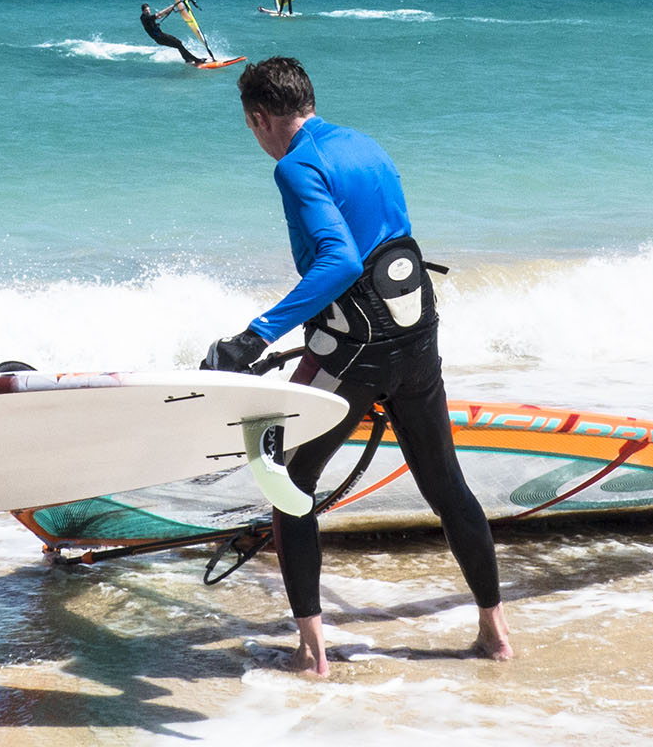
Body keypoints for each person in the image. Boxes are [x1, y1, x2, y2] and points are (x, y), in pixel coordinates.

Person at [201, 56, 512, 677]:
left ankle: (312, 653)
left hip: (359, 347)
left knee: (289, 483)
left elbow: (340, 262)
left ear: (259, 118)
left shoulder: (295, 166)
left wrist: (254, 337)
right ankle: (495, 634)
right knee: (444, 482)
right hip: (416, 330)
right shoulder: (365, 144)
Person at [140, 1, 205, 65]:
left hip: (161, 36)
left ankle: (187, 59)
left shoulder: (148, 16)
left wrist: (170, 10)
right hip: (160, 38)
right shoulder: (144, 18)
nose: (148, 11)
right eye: (146, 10)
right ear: (143, 11)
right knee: (178, 44)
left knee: (178, 43)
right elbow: (159, 14)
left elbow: (160, 16)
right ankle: (196, 60)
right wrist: (169, 7)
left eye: (148, 10)